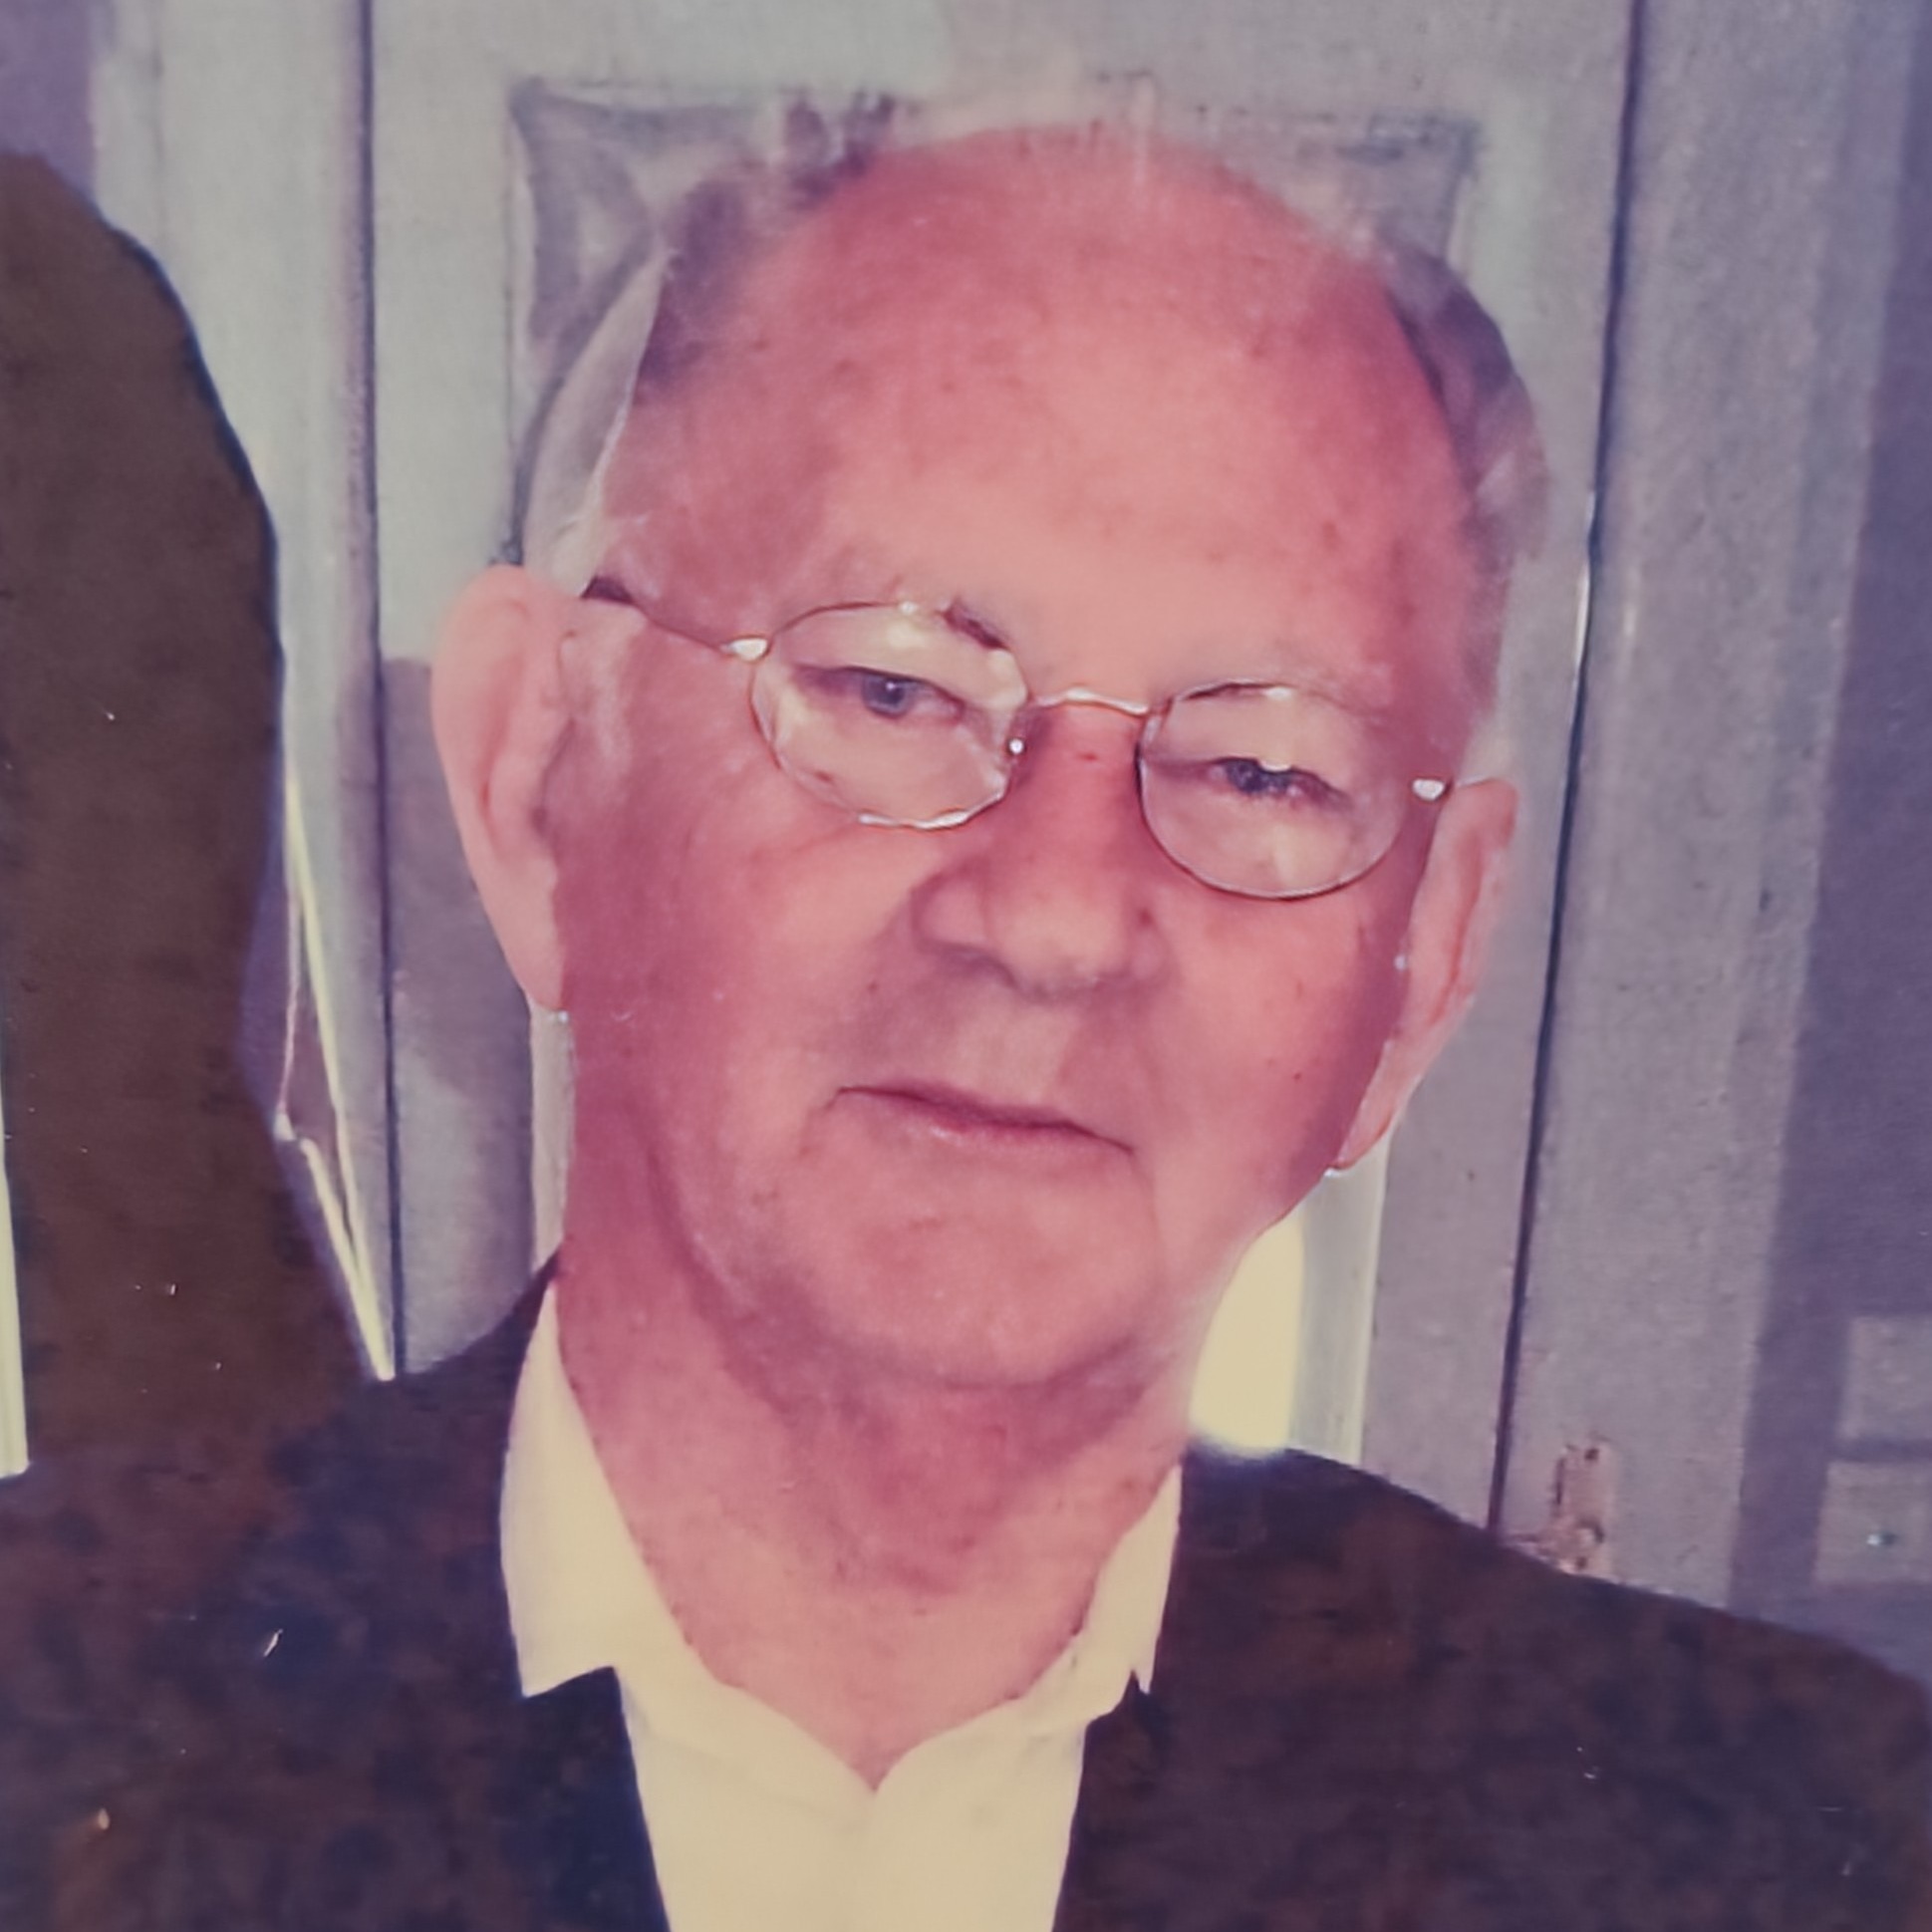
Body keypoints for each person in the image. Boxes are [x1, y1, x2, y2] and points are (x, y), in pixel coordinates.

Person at [4, 124, 1928, 1932]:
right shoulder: (48, 1729)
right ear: (539, 782)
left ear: (1421, 962)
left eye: (1263, 769)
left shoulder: (1798, 1844)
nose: (1057, 915)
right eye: (890, 689)